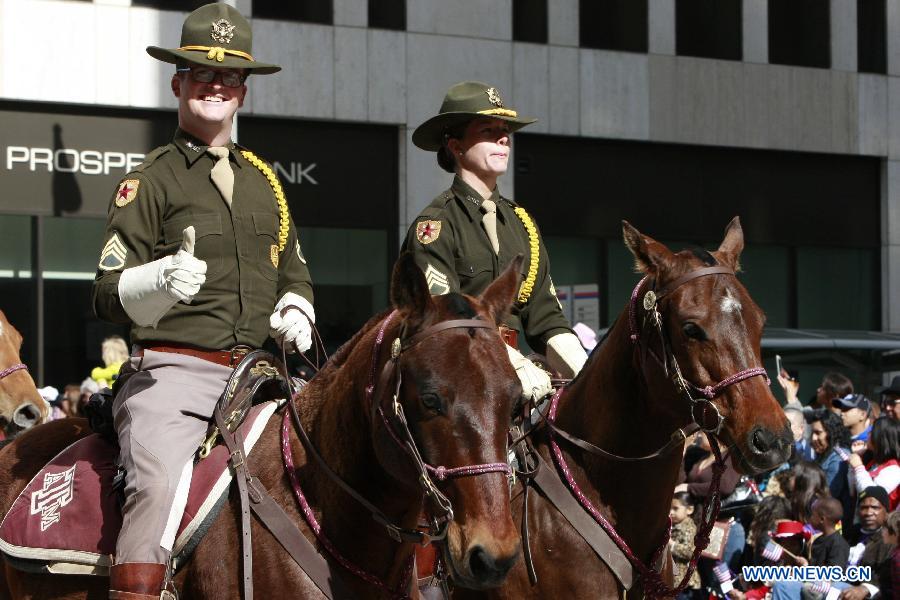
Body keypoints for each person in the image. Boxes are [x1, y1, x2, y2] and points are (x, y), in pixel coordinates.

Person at [91, 4, 314, 598]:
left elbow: (295, 271)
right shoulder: (151, 180)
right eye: (200, 72)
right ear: (178, 84)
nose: (216, 84)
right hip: (175, 374)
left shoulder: (267, 183)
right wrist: (157, 280)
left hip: (263, 380)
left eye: (230, 77)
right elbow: (107, 292)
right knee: (159, 484)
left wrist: (296, 306)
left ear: (243, 91)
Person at [402, 81, 587, 404]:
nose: (503, 138)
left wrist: (586, 374)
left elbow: (546, 318)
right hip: (454, 390)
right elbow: (444, 320)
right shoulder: (436, 226)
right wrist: (508, 362)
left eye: (505, 132)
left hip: (521, 385)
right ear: (456, 146)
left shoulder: (522, 225)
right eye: (487, 130)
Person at [841, 486, 894, 600]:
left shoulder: (891, 539)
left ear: (886, 511)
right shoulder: (851, 533)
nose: (869, 512)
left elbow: (886, 576)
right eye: (864, 507)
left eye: (875, 507)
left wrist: (866, 588)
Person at [848, 417, 900, 511]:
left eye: (872, 432)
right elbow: (852, 491)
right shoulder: (873, 463)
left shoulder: (894, 469)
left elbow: (871, 497)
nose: (868, 434)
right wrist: (856, 460)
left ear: (881, 438)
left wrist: (858, 467)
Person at [670, 492, 702, 600]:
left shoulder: (689, 527)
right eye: (670, 508)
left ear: (689, 510)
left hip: (684, 580)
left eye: (675, 508)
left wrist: (672, 545)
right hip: (673, 579)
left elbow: (690, 552)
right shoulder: (672, 525)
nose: (671, 512)